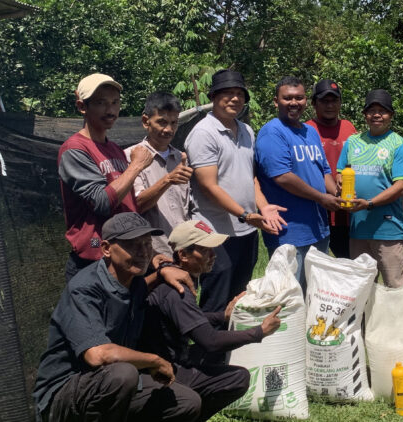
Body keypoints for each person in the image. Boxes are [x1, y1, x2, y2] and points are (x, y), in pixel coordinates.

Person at [33, 213, 201, 422]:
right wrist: (154, 360)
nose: (143, 252)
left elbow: (126, 295)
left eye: (147, 244)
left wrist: (161, 274)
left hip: (107, 382)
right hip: (64, 392)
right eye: (132, 245)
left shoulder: (134, 280)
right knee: (123, 374)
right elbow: (98, 355)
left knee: (187, 402)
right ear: (105, 249)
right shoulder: (84, 289)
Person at [139, 220, 282, 421]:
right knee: (237, 378)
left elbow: (189, 318)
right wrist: (259, 332)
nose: (213, 256)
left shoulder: (178, 279)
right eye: (205, 251)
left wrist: (221, 316)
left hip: (170, 359)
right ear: (183, 255)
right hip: (160, 370)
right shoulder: (176, 289)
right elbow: (210, 341)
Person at [185, 69, 286, 313]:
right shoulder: (203, 133)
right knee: (216, 300)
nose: (234, 99)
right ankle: (209, 350)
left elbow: (249, 177)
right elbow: (209, 186)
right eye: (227, 93)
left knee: (239, 297)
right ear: (213, 96)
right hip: (214, 231)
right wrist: (244, 213)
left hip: (246, 229)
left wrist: (262, 207)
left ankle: (234, 349)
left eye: (239, 94)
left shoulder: (246, 130)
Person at [58, 73, 153, 282]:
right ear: (82, 106)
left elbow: (129, 203)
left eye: (115, 102)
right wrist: (136, 165)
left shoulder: (114, 149)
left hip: (126, 256)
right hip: (95, 261)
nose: (110, 110)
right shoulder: (74, 150)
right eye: (101, 103)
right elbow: (102, 203)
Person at [254, 76, 342, 291]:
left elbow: (324, 170)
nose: (294, 103)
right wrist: (322, 198)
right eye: (288, 98)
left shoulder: (309, 131)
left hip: (318, 227)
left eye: (299, 98)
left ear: (305, 101)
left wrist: (338, 194)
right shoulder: (271, 132)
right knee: (289, 292)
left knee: (315, 290)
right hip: (289, 229)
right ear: (276, 101)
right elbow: (282, 176)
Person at [337, 89, 403, 287]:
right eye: (372, 110)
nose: (377, 115)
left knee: (395, 285)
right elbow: (340, 173)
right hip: (358, 228)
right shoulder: (353, 142)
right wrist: (340, 184)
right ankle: (365, 320)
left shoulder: (398, 144)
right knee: (361, 286)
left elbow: (401, 186)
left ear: (391, 115)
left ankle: (397, 320)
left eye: (383, 110)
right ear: (365, 114)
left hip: (388, 229)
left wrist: (369, 203)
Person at [125, 92, 192, 256]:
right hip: (152, 254)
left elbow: (187, 208)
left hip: (185, 251)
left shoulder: (180, 158)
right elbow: (137, 205)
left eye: (174, 123)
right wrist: (168, 179)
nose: (168, 129)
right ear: (145, 122)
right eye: (162, 122)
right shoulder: (130, 157)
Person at [306, 79, 357, 258]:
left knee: (353, 263)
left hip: (349, 211)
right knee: (319, 266)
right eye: (324, 101)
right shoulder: (306, 130)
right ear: (314, 103)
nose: (330, 105)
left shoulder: (348, 127)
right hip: (320, 210)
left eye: (334, 100)